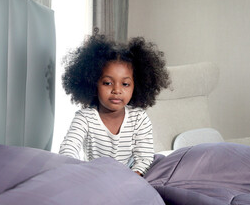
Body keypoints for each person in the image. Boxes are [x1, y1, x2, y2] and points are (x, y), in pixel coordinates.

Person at [59, 31, 170, 176]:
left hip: (130, 179)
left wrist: (131, 178)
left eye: (125, 84)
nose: (116, 90)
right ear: (93, 83)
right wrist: (78, 173)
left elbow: (144, 158)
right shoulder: (85, 118)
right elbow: (68, 150)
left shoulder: (139, 118)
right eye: (107, 83)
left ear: (136, 86)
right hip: (93, 177)